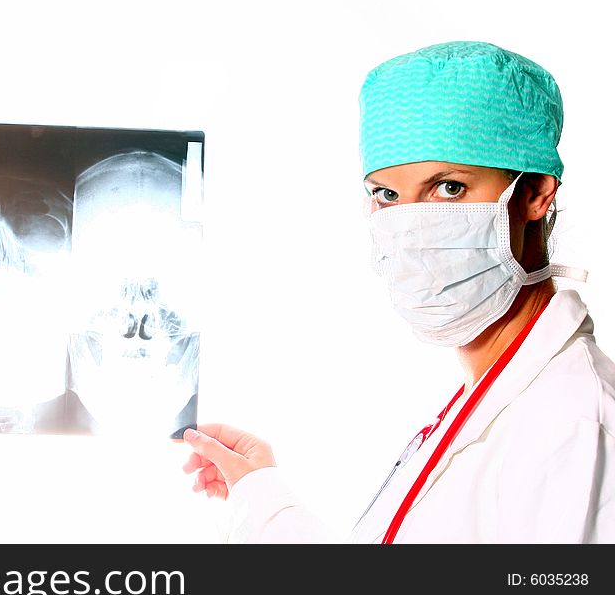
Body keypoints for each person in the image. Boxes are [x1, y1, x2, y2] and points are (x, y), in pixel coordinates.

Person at [182, 41, 615, 543]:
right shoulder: (496, 392)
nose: (410, 227)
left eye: (448, 187)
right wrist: (263, 497)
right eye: (386, 194)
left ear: (536, 193)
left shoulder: (575, 425)